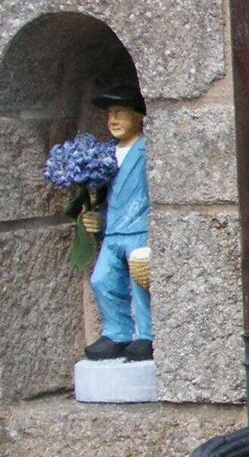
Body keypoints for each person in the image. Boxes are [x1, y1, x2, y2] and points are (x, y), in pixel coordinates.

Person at [81, 85, 154, 362]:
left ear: (138, 116)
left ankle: (147, 335)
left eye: (120, 113)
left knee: (140, 285)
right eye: (110, 114)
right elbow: (107, 197)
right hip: (113, 232)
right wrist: (97, 219)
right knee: (102, 280)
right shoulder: (104, 155)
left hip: (138, 230)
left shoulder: (145, 149)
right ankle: (117, 332)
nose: (112, 120)